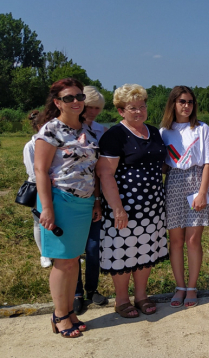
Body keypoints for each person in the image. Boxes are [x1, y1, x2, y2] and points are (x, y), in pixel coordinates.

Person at [33, 78, 100, 338]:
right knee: (63, 263)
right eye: (69, 98)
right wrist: (47, 209)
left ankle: (69, 311)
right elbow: (40, 170)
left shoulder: (88, 130)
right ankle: (59, 315)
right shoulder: (51, 130)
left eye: (79, 96)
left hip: (84, 203)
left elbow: (93, 170)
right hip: (60, 201)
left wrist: (96, 200)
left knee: (73, 260)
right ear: (58, 102)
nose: (76, 101)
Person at [96, 84, 168, 318]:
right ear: (121, 110)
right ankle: (121, 300)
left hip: (153, 207)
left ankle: (141, 296)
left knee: (146, 251)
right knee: (123, 253)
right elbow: (105, 173)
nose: (139, 111)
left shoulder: (153, 132)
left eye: (142, 106)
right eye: (133, 108)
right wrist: (117, 208)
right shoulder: (115, 135)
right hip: (125, 207)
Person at [160, 86, 209, 308]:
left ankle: (192, 287)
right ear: (173, 104)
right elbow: (164, 164)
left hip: (196, 181)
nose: (186, 106)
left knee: (193, 240)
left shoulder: (202, 129)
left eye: (190, 102)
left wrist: (202, 193)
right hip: (174, 182)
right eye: (182, 101)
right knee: (175, 241)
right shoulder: (164, 132)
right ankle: (180, 286)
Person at [73, 86, 110, 314]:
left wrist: (99, 199)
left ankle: (92, 289)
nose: (94, 112)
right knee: (74, 249)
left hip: (95, 193)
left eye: (98, 108)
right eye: (90, 107)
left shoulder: (101, 131)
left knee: (94, 247)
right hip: (71, 195)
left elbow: (102, 167)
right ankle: (76, 292)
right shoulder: (68, 129)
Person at [22, 110, 51, 268]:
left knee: (58, 219)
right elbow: (33, 172)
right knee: (39, 221)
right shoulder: (30, 146)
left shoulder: (55, 143)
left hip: (57, 187)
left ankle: (59, 252)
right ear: (40, 126)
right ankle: (44, 254)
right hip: (39, 187)